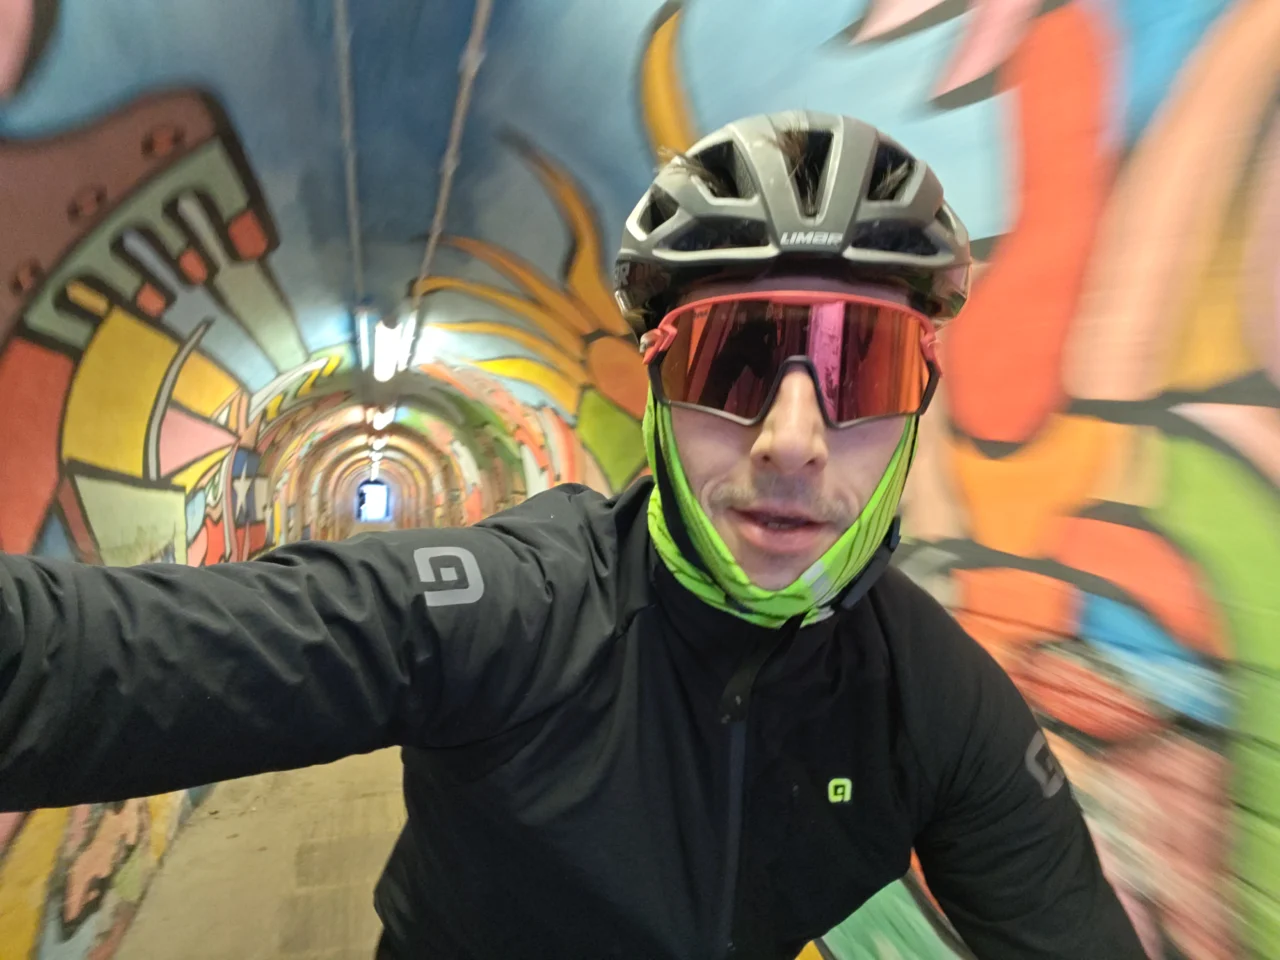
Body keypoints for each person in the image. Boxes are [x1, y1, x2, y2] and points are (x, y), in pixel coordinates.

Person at [0, 112, 1147, 959]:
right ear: (654, 389)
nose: (792, 439)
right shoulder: (514, 610)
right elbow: (93, 658)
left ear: (917, 403)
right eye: (733, 362)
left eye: (863, 368)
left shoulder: (935, 702)